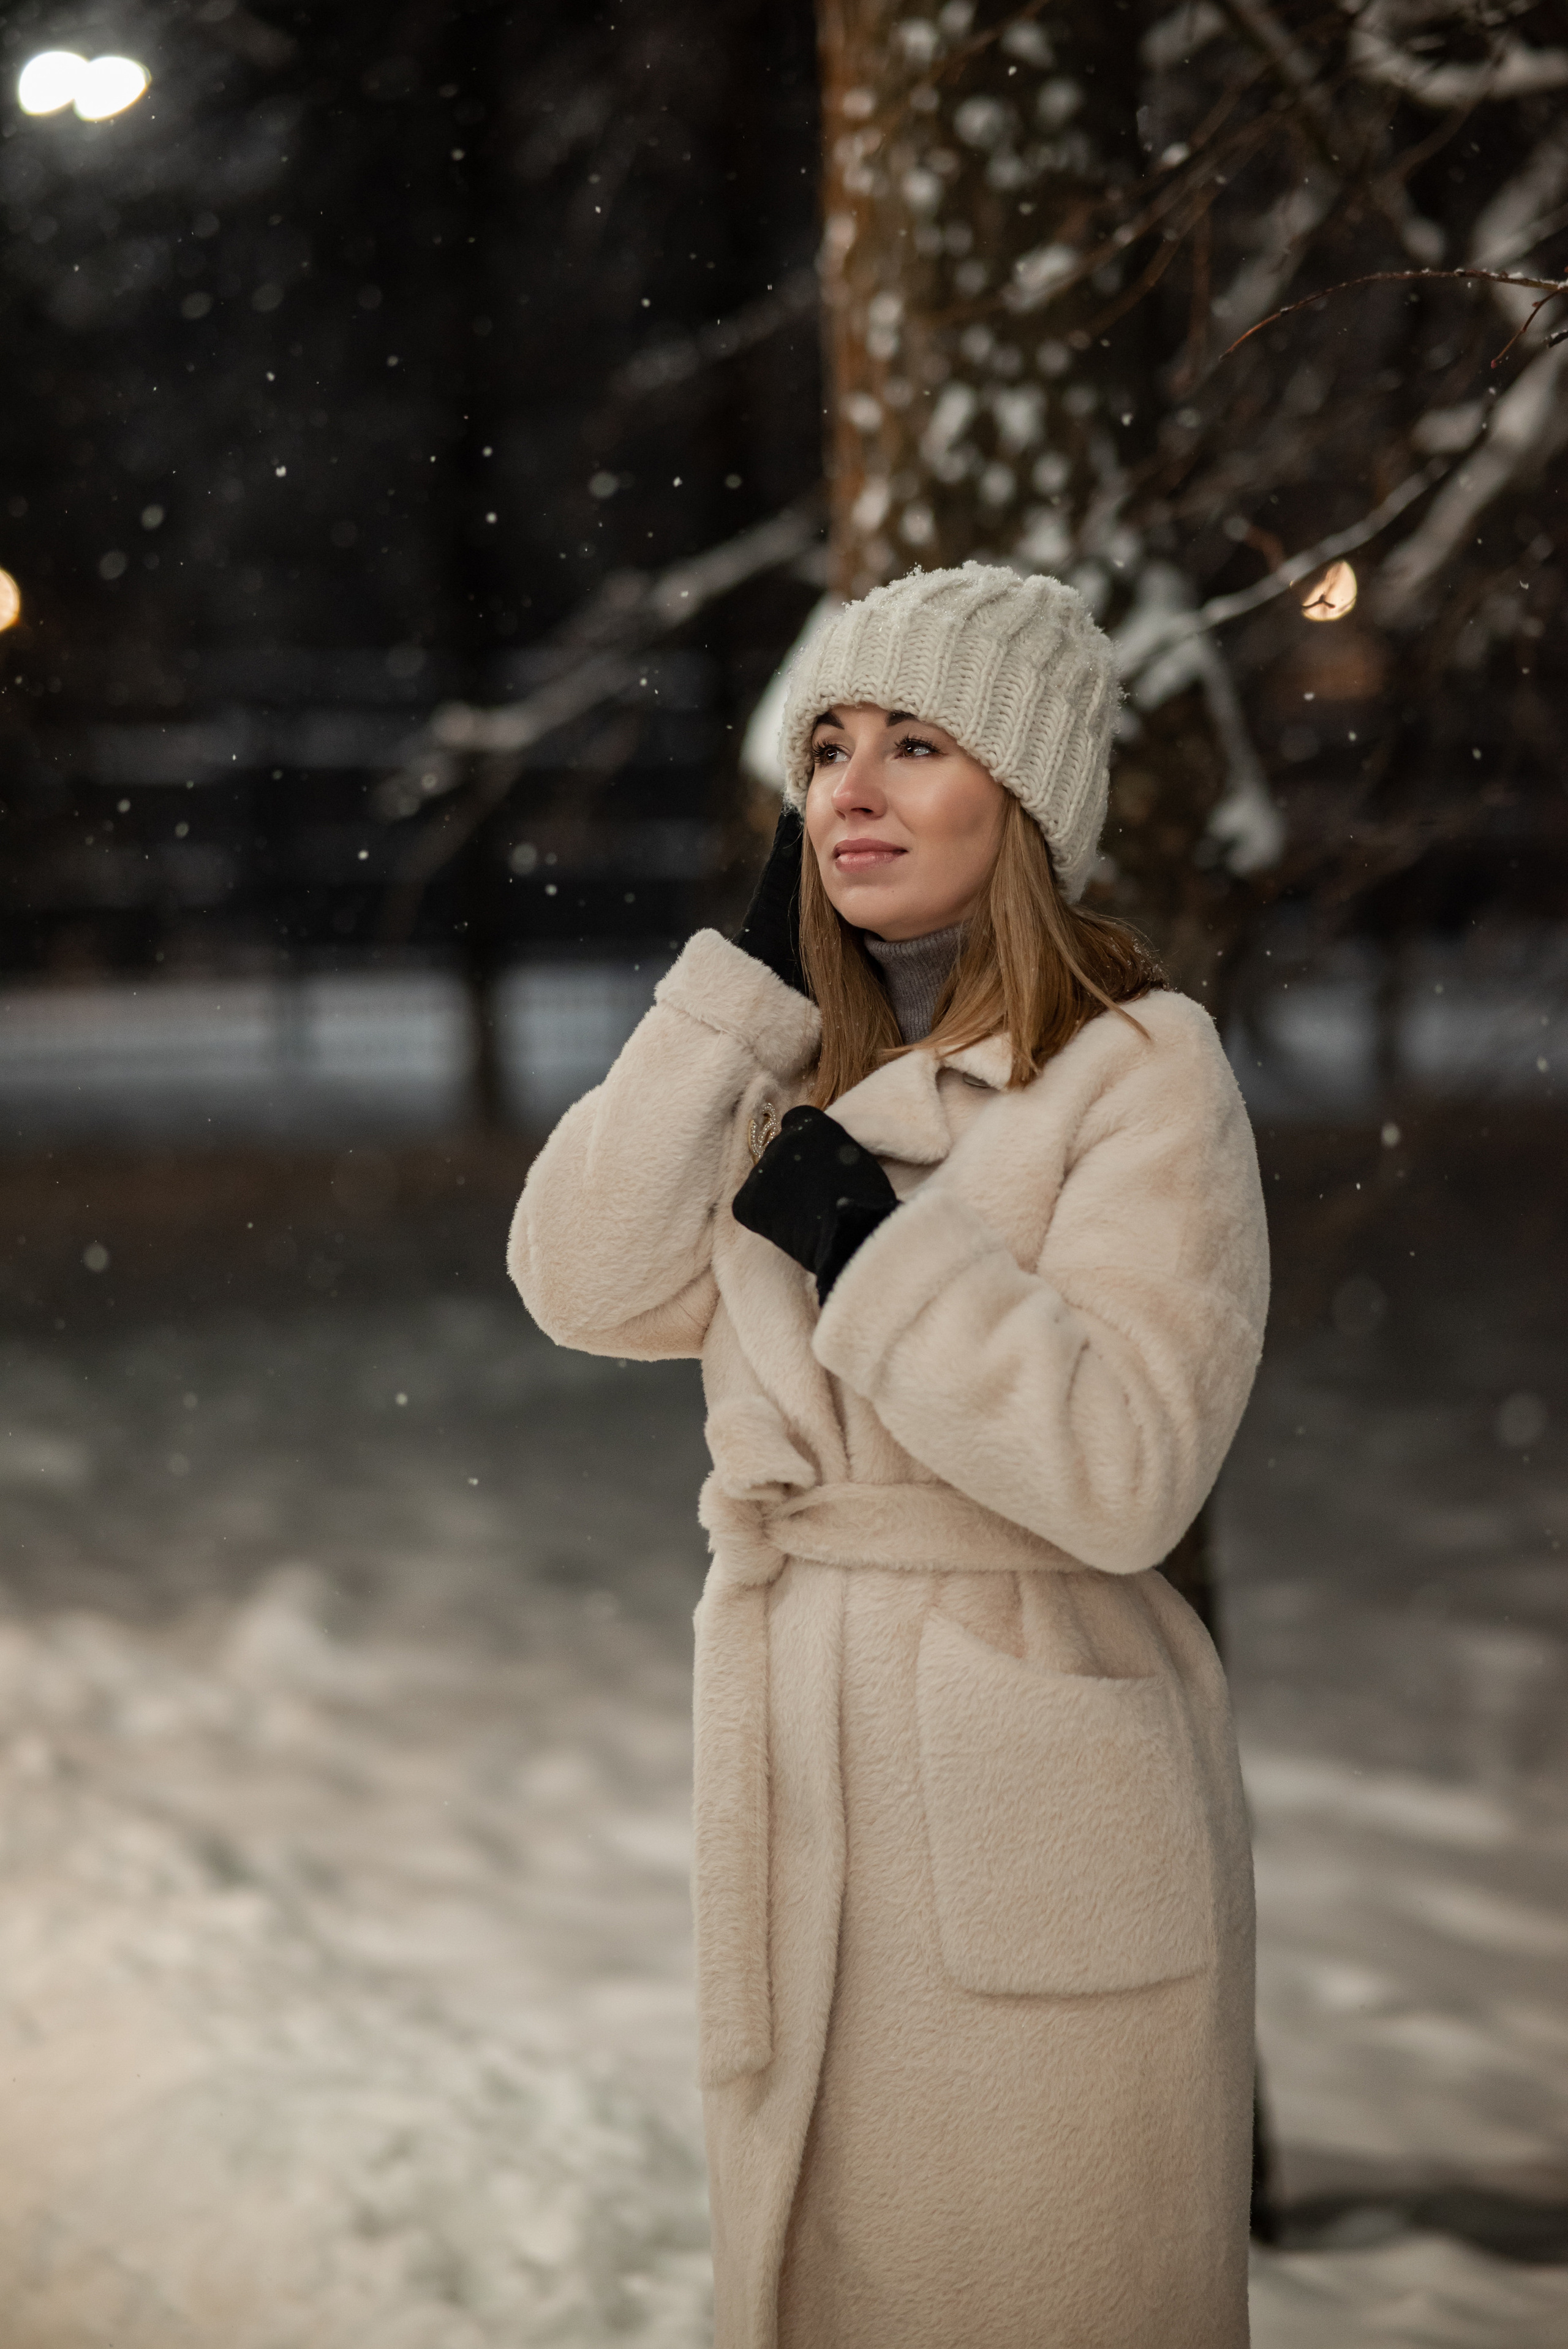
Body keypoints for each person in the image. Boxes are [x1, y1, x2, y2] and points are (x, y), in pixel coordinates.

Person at [510, 561, 1269, 2349]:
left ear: (1020, 799)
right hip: (800, 1774)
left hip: (1033, 1796)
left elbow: (1128, 1465)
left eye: (915, 745)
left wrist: (871, 1246)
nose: (849, 787)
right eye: (826, 746)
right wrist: (742, 998)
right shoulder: (786, 1072)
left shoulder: (1141, 1068)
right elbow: (583, 1279)